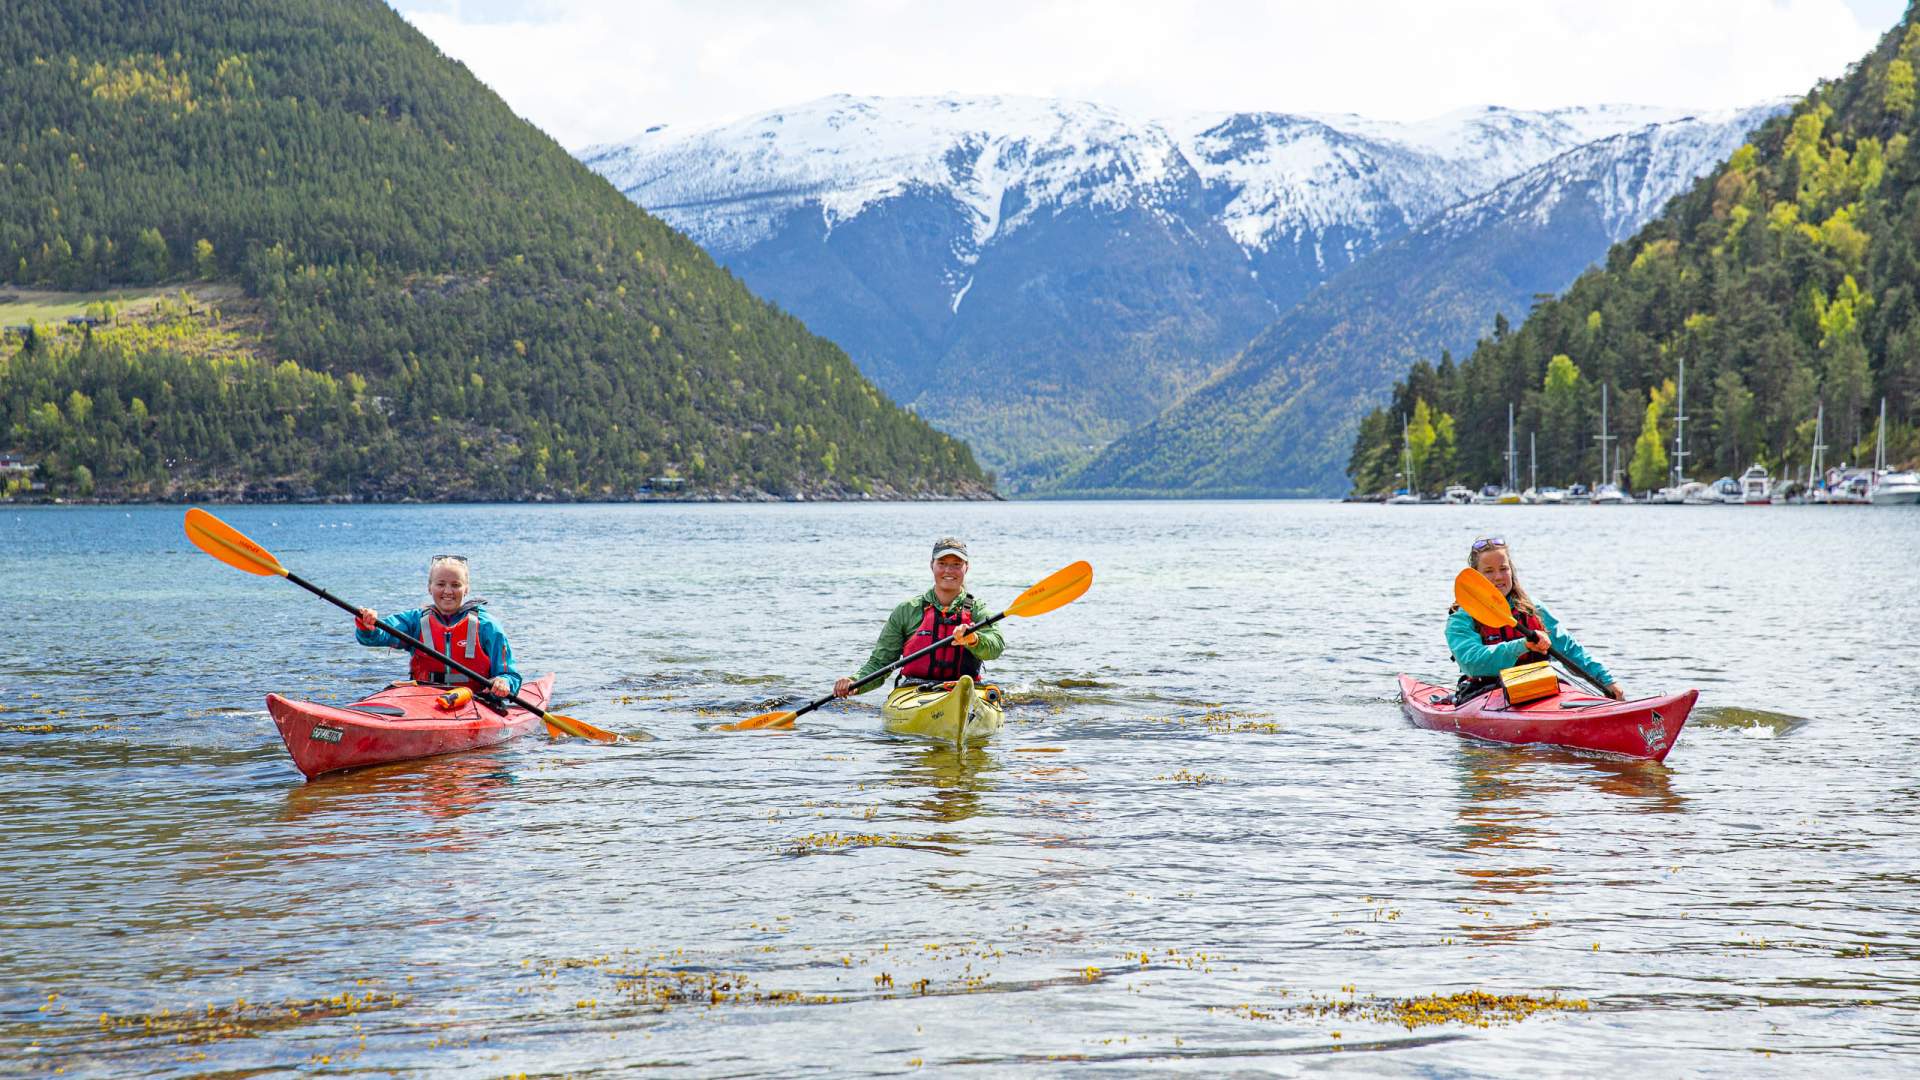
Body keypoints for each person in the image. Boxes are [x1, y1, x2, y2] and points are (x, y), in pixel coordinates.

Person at [1448, 536, 1623, 701]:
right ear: (1476, 577)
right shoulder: (1462, 618)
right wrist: (1522, 645)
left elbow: (1569, 649)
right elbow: (1472, 662)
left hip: (1541, 688)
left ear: (1512, 571)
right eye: (1488, 571)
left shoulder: (1532, 609)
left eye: (1504, 568)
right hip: (1486, 693)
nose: (1498, 577)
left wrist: (1606, 680)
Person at [834, 537, 1005, 698]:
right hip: (915, 689)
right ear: (932, 565)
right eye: (942, 563)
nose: (948, 570)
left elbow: (996, 646)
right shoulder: (907, 610)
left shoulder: (977, 609)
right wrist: (855, 682)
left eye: (956, 564)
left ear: (966, 567)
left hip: (965, 689)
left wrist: (974, 639)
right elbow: (880, 663)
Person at [355, 554, 520, 699]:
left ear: (466, 589)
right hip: (424, 700)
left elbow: (511, 676)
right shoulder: (414, 621)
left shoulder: (487, 626)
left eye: (456, 585)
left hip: (474, 701)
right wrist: (368, 625)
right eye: (441, 584)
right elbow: (376, 636)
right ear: (429, 587)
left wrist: (503, 682)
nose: (448, 591)